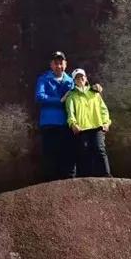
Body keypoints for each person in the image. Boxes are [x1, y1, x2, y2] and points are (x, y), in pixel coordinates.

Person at [35, 51, 76, 180]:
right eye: (56, 63)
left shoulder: (71, 80)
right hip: (49, 122)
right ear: (51, 65)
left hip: (66, 122)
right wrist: (59, 100)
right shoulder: (43, 78)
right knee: (49, 152)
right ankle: (49, 181)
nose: (59, 66)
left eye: (61, 63)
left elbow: (79, 94)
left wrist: (95, 89)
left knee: (67, 151)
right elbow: (39, 96)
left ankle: (68, 179)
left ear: (66, 64)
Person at [65, 68, 112, 177]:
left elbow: (103, 109)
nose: (80, 79)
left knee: (100, 149)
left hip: (97, 126)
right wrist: (73, 124)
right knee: (84, 152)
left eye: (82, 76)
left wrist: (106, 122)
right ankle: (87, 178)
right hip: (82, 129)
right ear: (74, 81)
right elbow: (70, 112)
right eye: (77, 77)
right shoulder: (71, 96)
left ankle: (106, 175)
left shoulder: (95, 93)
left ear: (86, 78)